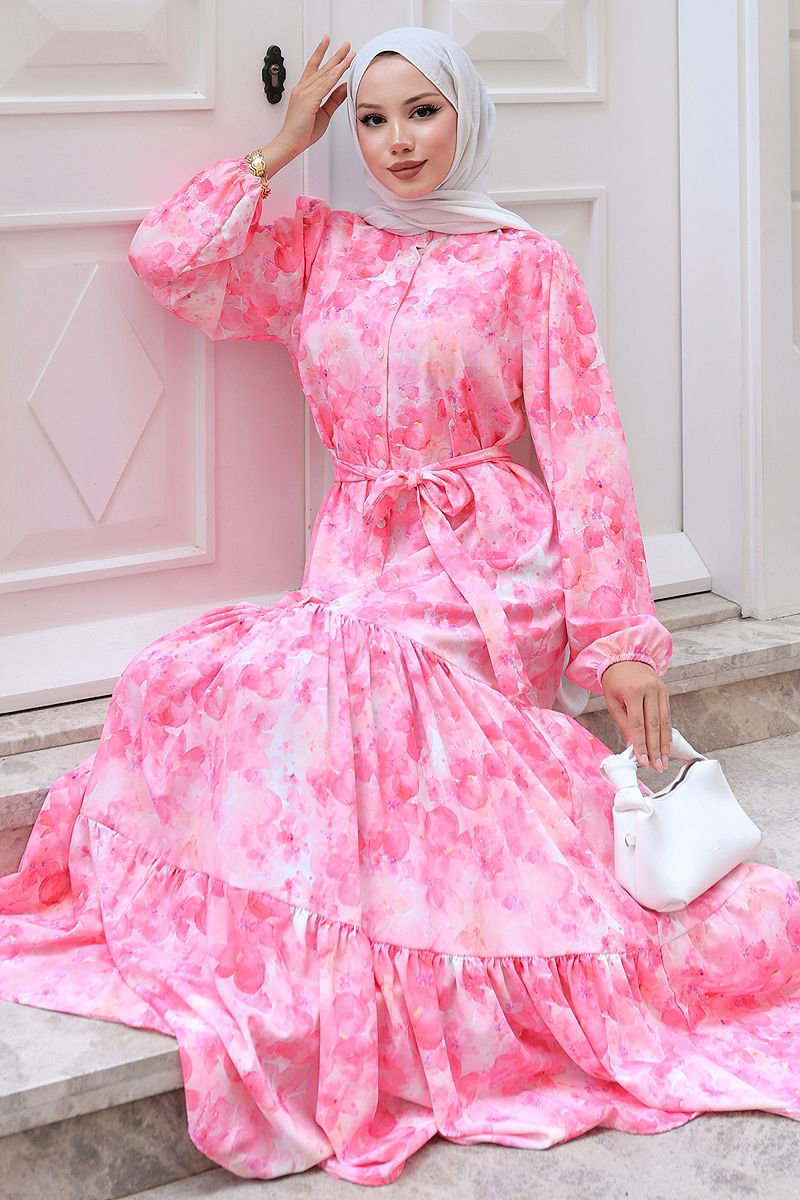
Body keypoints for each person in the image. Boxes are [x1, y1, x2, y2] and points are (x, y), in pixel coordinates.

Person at [1, 25, 799, 1189]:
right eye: (372, 120)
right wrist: (282, 145)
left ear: (464, 115)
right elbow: (169, 261)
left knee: (346, 679)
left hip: (487, 557)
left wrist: (618, 640)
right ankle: (324, 942)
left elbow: (583, 449)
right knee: (209, 682)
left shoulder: (523, 265)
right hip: (359, 547)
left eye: (420, 112)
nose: (396, 142)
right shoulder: (323, 247)